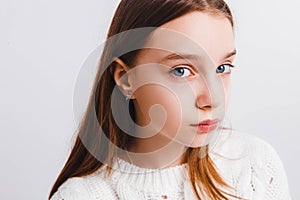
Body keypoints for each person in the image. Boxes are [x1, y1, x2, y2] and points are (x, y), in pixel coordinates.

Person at [49, 0, 291, 199]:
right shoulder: (82, 196)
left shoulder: (254, 165)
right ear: (126, 78)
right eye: (181, 71)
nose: (212, 99)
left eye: (222, 68)